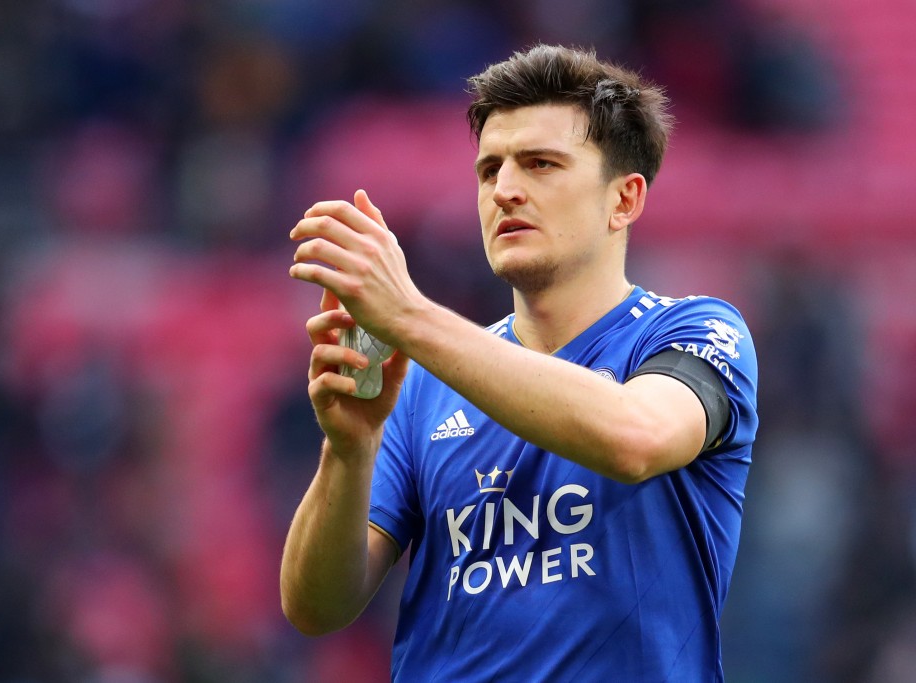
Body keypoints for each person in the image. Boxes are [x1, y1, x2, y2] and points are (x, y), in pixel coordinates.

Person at [281, 44, 758, 682]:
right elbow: (315, 607)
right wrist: (349, 450)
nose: (504, 191)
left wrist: (408, 316)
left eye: (541, 164)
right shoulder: (421, 385)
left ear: (624, 200)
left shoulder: (694, 332)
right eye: (489, 170)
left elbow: (636, 438)